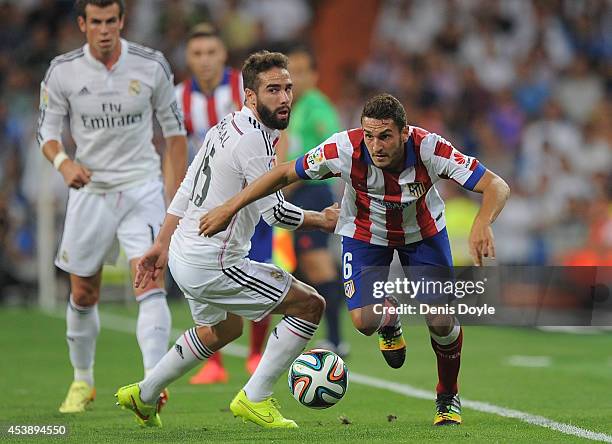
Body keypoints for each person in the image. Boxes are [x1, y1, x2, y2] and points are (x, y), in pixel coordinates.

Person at [200, 93, 511, 426]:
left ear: (404, 133)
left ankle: (447, 395)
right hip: (365, 235)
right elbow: (285, 174)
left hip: (423, 236)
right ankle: (388, 317)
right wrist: (230, 206)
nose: (376, 145)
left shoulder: (430, 148)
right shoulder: (343, 150)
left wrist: (482, 222)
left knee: (441, 320)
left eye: (385, 136)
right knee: (364, 323)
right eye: (369, 135)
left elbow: (496, 185)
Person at [115, 50, 338, 429]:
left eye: (287, 88)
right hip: (214, 261)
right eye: (272, 90)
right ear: (250, 96)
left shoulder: (226, 125)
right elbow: (276, 213)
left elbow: (187, 185)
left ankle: (145, 393)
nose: (284, 98)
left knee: (225, 329)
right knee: (310, 305)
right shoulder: (253, 140)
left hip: (187, 252)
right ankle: (256, 397)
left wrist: (163, 243)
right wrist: (323, 219)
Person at [37, 0, 187, 413]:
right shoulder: (63, 71)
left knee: (149, 280)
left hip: (141, 187)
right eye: (96, 22)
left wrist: (174, 199)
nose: (104, 30)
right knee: (84, 292)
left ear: (122, 21)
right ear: (82, 24)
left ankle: (152, 384)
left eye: (111, 22)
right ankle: (82, 381)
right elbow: (46, 133)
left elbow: (175, 135)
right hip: (90, 189)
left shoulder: (151, 65)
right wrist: (64, 163)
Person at [175, 23, 273, 384]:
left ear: (223, 55)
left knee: (258, 264)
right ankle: (213, 362)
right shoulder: (178, 97)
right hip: (206, 200)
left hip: (250, 195)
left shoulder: (243, 88)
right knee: (204, 271)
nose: (204, 61)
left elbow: (274, 131)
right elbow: (175, 151)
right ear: (188, 57)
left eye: (211, 52)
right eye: (197, 54)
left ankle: (256, 353)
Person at [284, 44, 347, 356]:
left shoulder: (318, 108)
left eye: (299, 72)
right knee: (300, 266)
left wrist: (288, 186)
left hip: (311, 192)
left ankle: (336, 339)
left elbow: (329, 157)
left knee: (317, 264)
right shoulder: (293, 110)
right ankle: (303, 333)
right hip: (294, 192)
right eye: (289, 73)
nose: (293, 79)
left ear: (313, 75)